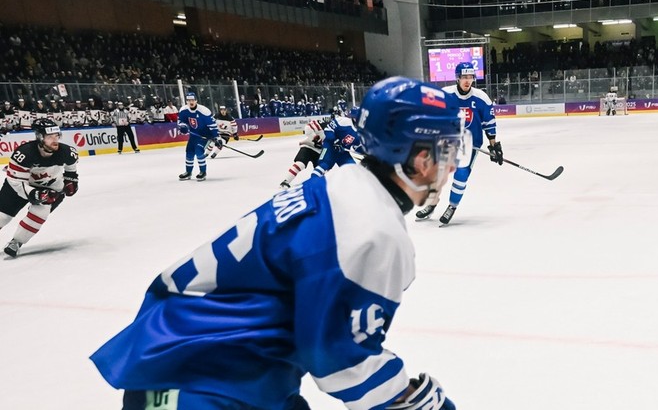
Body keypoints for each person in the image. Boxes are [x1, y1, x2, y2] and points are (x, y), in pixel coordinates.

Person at [90, 76, 461, 410]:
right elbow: (338, 362)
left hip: (206, 366)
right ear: (422, 158)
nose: (452, 163)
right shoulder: (371, 229)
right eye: (448, 150)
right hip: (200, 382)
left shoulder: (341, 187)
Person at [416, 62, 502, 226]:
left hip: (470, 145)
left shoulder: (481, 97)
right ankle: (432, 204)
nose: (467, 80)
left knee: (461, 175)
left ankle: (452, 206)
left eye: (470, 77)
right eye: (464, 77)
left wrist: (494, 145)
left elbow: (489, 122)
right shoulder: (445, 94)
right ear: (457, 78)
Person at [0, 118, 79, 258]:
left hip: (50, 186)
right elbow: (16, 182)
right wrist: (34, 194)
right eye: (50, 137)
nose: (55, 140)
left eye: (57, 136)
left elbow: (71, 169)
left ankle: (16, 242)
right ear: (40, 138)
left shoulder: (67, 152)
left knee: (41, 212)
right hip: (19, 186)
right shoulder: (24, 154)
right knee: (2, 217)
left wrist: (71, 181)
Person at [176, 92, 223, 181]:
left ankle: (203, 172)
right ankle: (188, 172)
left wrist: (217, 137)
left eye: (193, 100)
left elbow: (212, 125)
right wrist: (183, 127)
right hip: (194, 136)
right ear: (187, 101)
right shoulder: (183, 110)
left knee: (199, 151)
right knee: (189, 152)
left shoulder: (204, 111)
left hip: (204, 136)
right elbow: (180, 122)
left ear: (196, 100)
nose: (191, 102)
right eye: (189, 100)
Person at [313, 107, 364, 178]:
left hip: (342, 152)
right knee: (323, 165)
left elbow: (357, 147)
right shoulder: (343, 121)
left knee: (353, 169)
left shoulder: (360, 132)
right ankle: (313, 183)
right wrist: (334, 140)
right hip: (329, 147)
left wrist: (366, 153)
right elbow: (328, 129)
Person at [278, 118, 326, 189]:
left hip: (320, 152)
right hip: (308, 147)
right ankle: (285, 181)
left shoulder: (336, 134)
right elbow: (308, 128)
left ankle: (317, 184)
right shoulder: (321, 125)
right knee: (300, 164)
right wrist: (315, 138)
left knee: (321, 168)